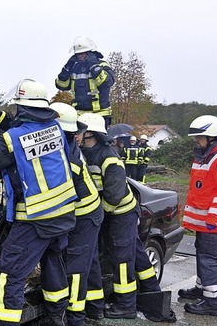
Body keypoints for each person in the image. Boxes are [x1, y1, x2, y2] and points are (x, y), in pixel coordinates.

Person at [0, 79, 77, 326]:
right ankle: (56, 318)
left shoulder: (16, 137)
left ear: (23, 108)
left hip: (36, 218)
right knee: (53, 263)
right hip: (63, 213)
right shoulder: (54, 128)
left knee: (10, 275)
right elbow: (24, 130)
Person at [77, 113, 139, 319]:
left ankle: (127, 306)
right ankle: (99, 303)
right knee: (100, 255)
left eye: (80, 131)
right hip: (105, 213)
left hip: (121, 213)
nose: (77, 135)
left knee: (121, 260)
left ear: (90, 133)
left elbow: (114, 195)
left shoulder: (109, 157)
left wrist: (97, 215)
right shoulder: (84, 153)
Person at [50, 102, 104, 326]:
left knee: (76, 268)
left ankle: (76, 317)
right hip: (83, 215)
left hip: (86, 216)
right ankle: (96, 308)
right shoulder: (66, 146)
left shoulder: (68, 156)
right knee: (87, 260)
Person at [177, 115, 217, 317]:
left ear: (212, 138)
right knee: (202, 255)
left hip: (213, 222)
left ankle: (212, 302)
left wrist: (213, 218)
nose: (196, 141)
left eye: (199, 138)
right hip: (205, 221)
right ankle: (203, 289)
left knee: (208, 258)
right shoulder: (206, 156)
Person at [55, 36, 115, 128]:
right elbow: (61, 85)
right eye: (78, 54)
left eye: (83, 53)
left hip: (100, 114)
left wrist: (93, 67)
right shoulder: (74, 68)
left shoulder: (102, 65)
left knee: (99, 142)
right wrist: (66, 69)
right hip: (79, 115)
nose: (80, 56)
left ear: (90, 53)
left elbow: (106, 83)